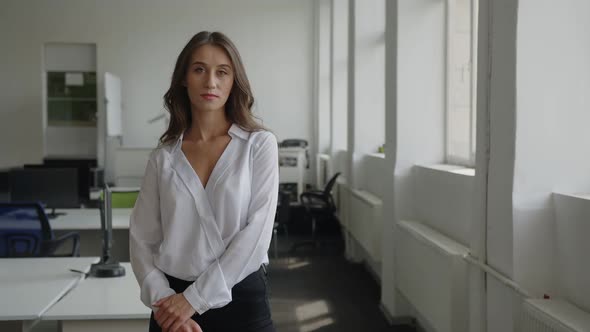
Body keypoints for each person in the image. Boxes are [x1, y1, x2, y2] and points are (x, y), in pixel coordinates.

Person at [129, 31, 278, 332]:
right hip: (171, 307)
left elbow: (257, 234)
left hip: (241, 303)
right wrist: (166, 304)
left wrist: (193, 300)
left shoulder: (258, 145)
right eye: (199, 69)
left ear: (233, 80)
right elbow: (141, 239)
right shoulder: (163, 157)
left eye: (222, 72)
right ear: (184, 78)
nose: (210, 81)